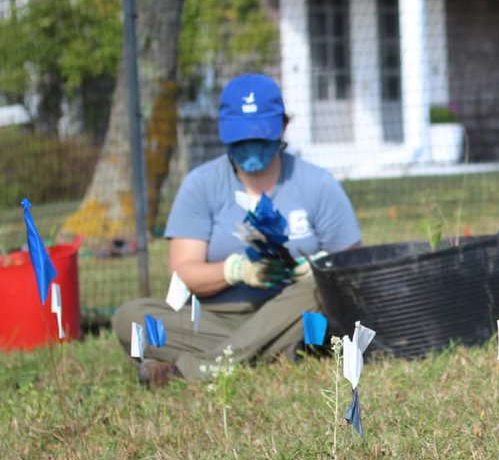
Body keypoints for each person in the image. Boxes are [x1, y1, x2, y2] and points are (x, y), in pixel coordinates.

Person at [113, 74, 362, 386]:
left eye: (260, 137)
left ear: (283, 127)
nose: (251, 147)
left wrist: (318, 268)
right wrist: (236, 270)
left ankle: (199, 369)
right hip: (217, 316)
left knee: (318, 292)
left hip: (294, 311)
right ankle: (268, 353)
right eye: (241, 139)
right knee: (129, 318)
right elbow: (184, 273)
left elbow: (354, 270)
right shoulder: (201, 184)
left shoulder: (318, 184)